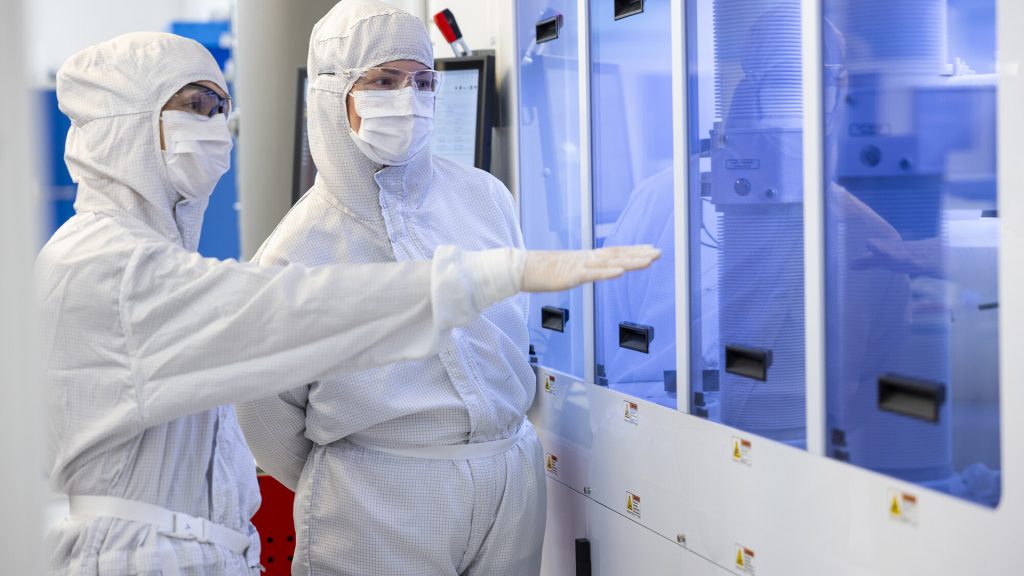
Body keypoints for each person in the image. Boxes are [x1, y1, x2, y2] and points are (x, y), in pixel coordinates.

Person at [36, 32, 659, 576]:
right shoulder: (104, 266)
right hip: (144, 557)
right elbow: (290, 318)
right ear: (125, 126)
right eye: (194, 107)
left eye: (220, 108)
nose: (216, 127)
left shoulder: (145, 257)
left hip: (195, 549)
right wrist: (482, 277)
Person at [235, 2, 554, 574]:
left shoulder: (486, 199)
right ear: (333, 94)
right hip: (379, 503)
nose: (408, 98)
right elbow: (263, 412)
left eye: (422, 81)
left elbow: (513, 329)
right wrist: (363, 472)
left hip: (511, 479)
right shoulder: (296, 251)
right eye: (383, 81)